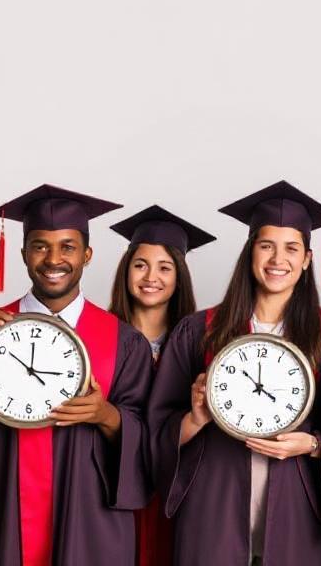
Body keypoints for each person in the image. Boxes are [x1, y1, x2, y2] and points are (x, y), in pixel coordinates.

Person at [0, 184, 153, 565]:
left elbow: (152, 436)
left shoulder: (124, 341)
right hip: (8, 513)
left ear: (87, 254)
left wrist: (105, 415)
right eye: (41, 246)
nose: (53, 258)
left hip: (90, 519)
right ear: (24, 253)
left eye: (67, 246)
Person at [146, 181, 321, 565]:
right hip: (213, 501)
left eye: (291, 248)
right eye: (266, 245)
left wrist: (312, 445)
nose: (277, 259)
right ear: (250, 252)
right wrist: (195, 418)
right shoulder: (200, 329)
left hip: (297, 505)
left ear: (306, 259)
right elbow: (156, 427)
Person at [108, 204, 216, 566]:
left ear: (179, 276)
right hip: (110, 485)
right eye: (140, 265)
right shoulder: (98, 335)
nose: (150, 276)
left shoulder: (198, 343)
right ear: (126, 271)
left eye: (164, 267)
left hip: (177, 488)